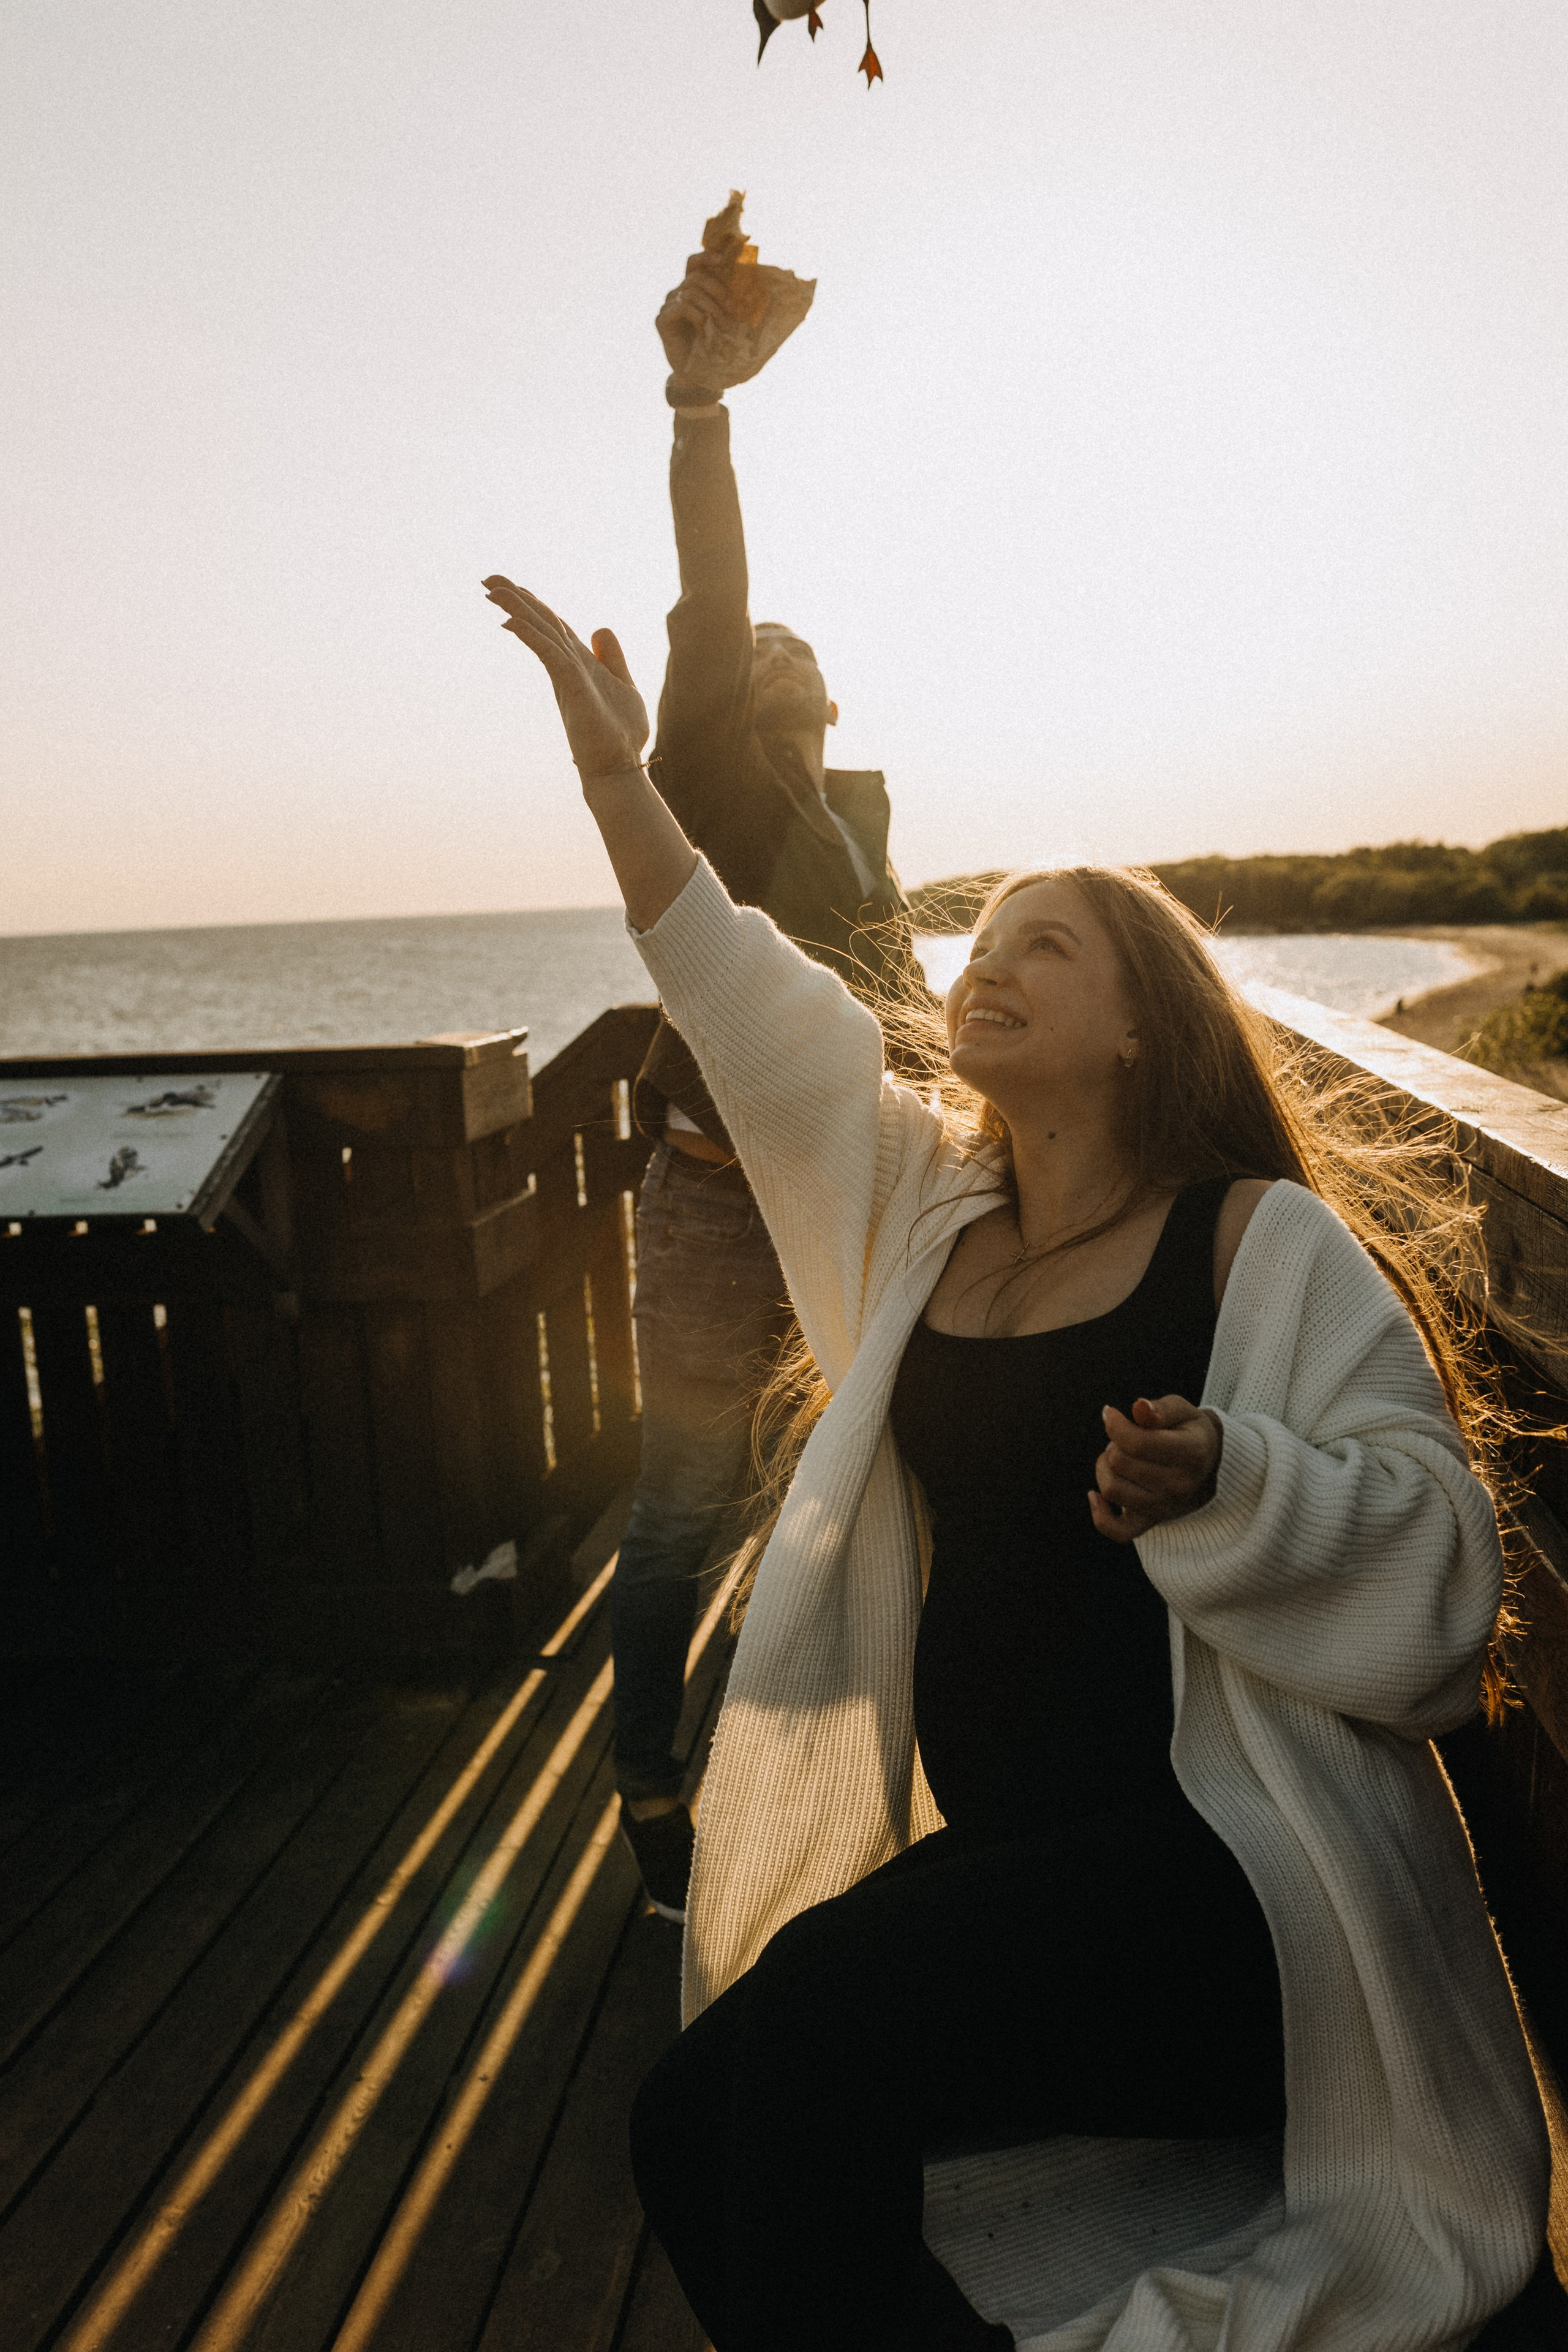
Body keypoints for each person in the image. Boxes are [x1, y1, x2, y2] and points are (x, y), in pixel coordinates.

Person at [479, 575, 1550, 2351]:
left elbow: (1446, 1579)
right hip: (1019, 1867)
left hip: (1243, 1891)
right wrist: (614, 778)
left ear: (1145, 1029)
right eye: (991, 937)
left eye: (1052, 945)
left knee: (816, 2036)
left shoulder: (1253, 1247)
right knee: (686, 2121)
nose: (991, 964)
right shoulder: (923, 1215)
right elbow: (741, 989)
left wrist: (1236, 1483)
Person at [606, 248, 922, 1921]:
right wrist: (699, 411)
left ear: (829, 701)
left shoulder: (853, 829)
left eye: (797, 664)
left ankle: (820, 1779)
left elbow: (903, 1006)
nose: (773, 666)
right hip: (717, 1209)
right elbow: (711, 601)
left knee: (845, 1486)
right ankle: (651, 1787)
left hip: (850, 1198)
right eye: (756, 660)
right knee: (680, 1501)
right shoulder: (711, 777)